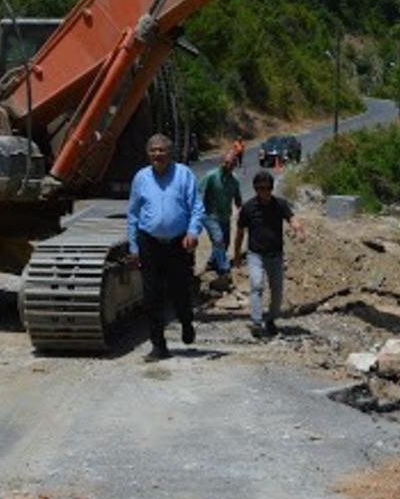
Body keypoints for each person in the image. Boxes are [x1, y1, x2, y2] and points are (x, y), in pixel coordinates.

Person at [126, 133, 205, 361]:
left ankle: (186, 322)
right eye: (153, 150)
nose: (157, 154)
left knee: (179, 291)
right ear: (148, 153)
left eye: (161, 150)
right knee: (152, 297)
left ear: (170, 153)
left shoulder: (183, 174)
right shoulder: (141, 177)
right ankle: (159, 346)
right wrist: (133, 246)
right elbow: (133, 214)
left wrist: (193, 232)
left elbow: (196, 207)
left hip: (177, 243)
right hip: (149, 242)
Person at [232, 170, 303, 338]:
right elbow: (240, 233)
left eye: (267, 188)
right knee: (257, 285)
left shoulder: (280, 204)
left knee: (277, 291)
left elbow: (292, 218)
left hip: (275, 254)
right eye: (260, 188)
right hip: (255, 254)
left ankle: (271, 320)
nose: (264, 192)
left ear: (271, 188)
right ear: (255, 189)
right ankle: (256, 322)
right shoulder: (248, 208)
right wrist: (236, 255)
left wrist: (298, 230)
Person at [197, 151, 242, 286]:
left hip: (225, 216)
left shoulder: (234, 181)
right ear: (221, 162)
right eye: (226, 162)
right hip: (209, 215)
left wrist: (242, 211)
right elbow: (199, 192)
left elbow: (238, 199)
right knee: (218, 239)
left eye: (231, 163)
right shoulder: (211, 176)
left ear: (235, 165)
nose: (228, 165)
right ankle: (224, 270)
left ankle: (212, 263)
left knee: (225, 242)